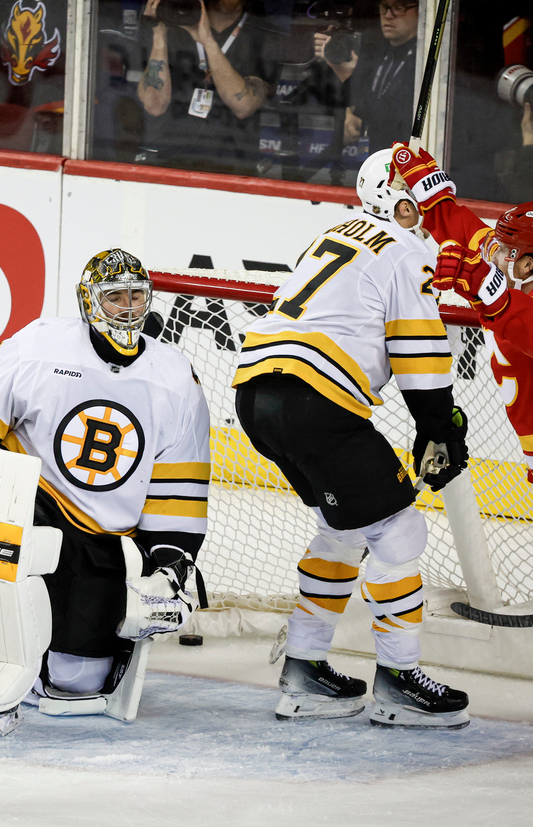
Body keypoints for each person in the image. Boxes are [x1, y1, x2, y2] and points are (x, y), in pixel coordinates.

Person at [232, 148, 471, 729]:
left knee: (341, 531)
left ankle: (305, 671)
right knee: (398, 528)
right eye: (418, 199)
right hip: (317, 404)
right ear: (389, 198)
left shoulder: (336, 231)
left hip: (254, 394)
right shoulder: (408, 249)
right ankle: (398, 683)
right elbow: (416, 348)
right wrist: (439, 426)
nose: (428, 212)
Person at [0, 249, 210, 708]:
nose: (130, 307)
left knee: (76, 683)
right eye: (116, 297)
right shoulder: (40, 346)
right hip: (25, 503)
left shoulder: (175, 378)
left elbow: (177, 488)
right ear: (89, 302)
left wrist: (171, 566)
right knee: (3, 623)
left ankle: (43, 660)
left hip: (98, 537)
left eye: (137, 296)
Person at [390, 142, 533, 482]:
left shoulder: (506, 289)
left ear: (528, 263)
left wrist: (486, 289)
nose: (495, 253)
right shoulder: (511, 271)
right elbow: (459, 225)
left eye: (507, 251)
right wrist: (426, 186)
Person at [136, 0, 276, 175]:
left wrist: (208, 42)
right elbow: (154, 105)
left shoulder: (264, 34)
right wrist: (158, 33)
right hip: (169, 163)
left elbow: (244, 106)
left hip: (232, 167)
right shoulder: (173, 24)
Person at [314, 1, 417, 153]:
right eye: (384, 8)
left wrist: (348, 76)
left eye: (398, 8)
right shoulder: (381, 52)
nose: (388, 15)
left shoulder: (425, 59)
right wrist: (341, 69)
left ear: (422, 13)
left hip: (409, 163)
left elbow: (397, 114)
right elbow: (364, 104)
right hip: (378, 162)